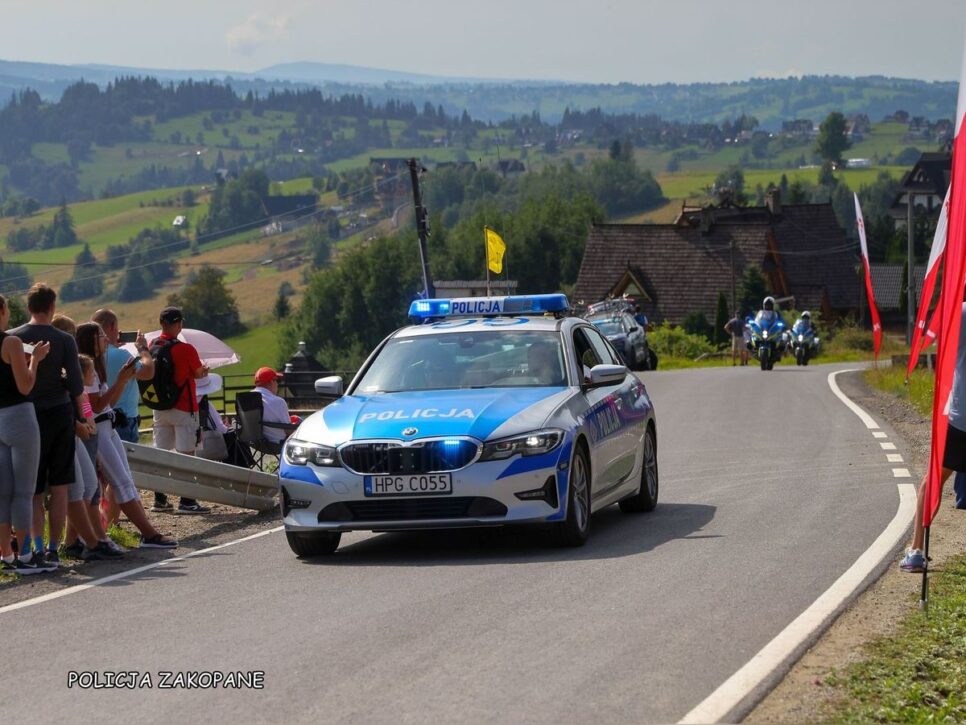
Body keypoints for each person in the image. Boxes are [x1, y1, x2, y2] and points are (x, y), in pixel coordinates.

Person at [75, 322, 177, 549]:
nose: (105, 339)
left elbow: (107, 403)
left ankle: (143, 532)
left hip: (107, 428)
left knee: (125, 481)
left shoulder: (95, 365)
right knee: (120, 482)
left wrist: (123, 380)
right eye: (100, 335)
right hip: (99, 430)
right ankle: (148, 534)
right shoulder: (86, 365)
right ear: (90, 340)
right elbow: (95, 406)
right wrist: (121, 380)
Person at [10, 283, 88, 568]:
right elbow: (78, 387)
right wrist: (86, 415)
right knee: (60, 487)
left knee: (32, 490)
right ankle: (54, 549)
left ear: (29, 307)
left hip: (25, 415)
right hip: (59, 414)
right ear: (52, 307)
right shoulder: (65, 340)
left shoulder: (12, 338)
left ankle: (34, 547)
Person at [900, 298, 966, 572]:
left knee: (933, 480)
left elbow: (937, 337)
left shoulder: (960, 311)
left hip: (961, 417)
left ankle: (916, 550)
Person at [0, 294, 51, 574]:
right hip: (19, 416)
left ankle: (7, 556)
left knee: (2, 493)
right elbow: (25, 386)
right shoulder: (11, 342)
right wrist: (36, 361)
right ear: (2, 310)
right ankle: (28, 555)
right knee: (23, 492)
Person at [150, 306, 210, 515]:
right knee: (186, 454)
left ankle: (160, 499)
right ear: (178, 324)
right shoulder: (186, 349)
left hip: (159, 407)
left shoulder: (153, 345)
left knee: (160, 452)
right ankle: (187, 500)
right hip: (183, 406)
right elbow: (197, 373)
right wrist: (203, 371)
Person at [91, 308, 155, 444]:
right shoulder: (122, 355)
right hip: (124, 419)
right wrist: (143, 349)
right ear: (113, 326)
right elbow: (148, 372)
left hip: (100, 419)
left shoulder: (90, 355)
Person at [252, 367, 293, 444]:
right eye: (277, 381)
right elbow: (289, 431)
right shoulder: (278, 401)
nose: (277, 384)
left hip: (255, 442)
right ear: (271, 382)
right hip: (277, 443)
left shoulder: (246, 398)